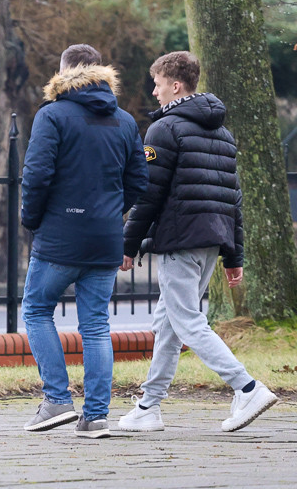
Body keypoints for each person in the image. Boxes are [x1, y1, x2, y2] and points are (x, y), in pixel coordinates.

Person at [119, 51, 278, 432]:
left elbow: (149, 195)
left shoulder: (164, 130)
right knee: (169, 323)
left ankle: (248, 388)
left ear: (175, 85)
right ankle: (148, 407)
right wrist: (234, 254)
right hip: (211, 240)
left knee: (188, 322)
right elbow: (232, 199)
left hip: (179, 239)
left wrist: (127, 245)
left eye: (157, 84)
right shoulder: (222, 133)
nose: (154, 92)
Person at [20, 44, 148, 438]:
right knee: (95, 325)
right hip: (106, 237)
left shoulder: (53, 115)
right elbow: (138, 181)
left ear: (63, 73)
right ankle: (95, 417)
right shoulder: (125, 121)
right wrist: (110, 214)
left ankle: (57, 399)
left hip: (60, 235)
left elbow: (37, 176)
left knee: (37, 309)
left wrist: (32, 219)